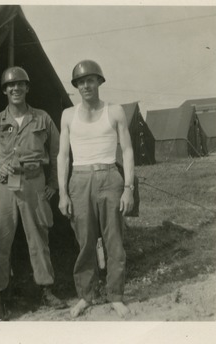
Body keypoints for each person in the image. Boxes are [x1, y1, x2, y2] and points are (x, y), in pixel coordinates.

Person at [0, 66, 65, 319]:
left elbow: (59, 152)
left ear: (27, 88)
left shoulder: (42, 119)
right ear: (5, 91)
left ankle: (46, 290)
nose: (16, 89)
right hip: (7, 186)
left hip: (34, 184)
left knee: (39, 239)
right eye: (10, 86)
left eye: (20, 84)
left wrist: (54, 184)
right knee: (0, 241)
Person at [57, 60, 134, 318]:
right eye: (80, 82)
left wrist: (128, 188)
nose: (86, 85)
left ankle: (116, 296)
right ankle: (85, 296)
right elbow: (63, 157)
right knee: (85, 242)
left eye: (90, 80)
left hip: (109, 176)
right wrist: (63, 193)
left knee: (114, 241)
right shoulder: (68, 114)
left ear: (99, 82)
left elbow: (127, 150)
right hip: (79, 180)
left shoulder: (115, 111)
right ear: (76, 86)